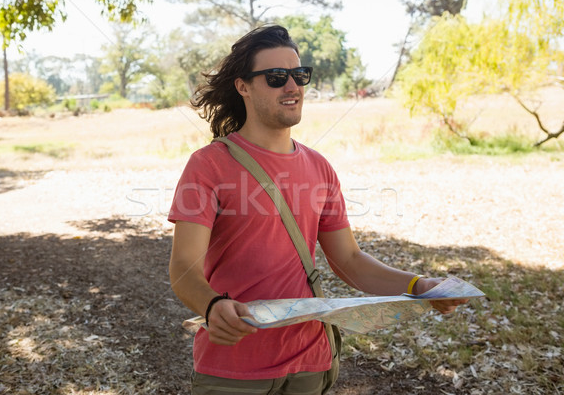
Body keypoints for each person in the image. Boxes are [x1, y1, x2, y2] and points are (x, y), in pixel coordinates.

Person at [168, 25, 467, 395]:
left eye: (299, 75)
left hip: (312, 362)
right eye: (276, 77)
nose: (292, 86)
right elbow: (183, 266)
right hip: (235, 369)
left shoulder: (319, 167)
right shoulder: (208, 165)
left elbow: (350, 260)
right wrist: (211, 305)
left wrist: (417, 285)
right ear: (243, 87)